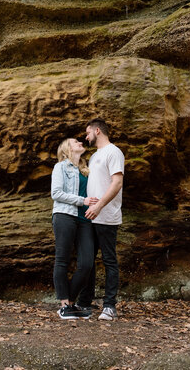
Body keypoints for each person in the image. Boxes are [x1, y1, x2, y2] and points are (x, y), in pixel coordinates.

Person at [76, 118, 124, 321]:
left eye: (88, 133)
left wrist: (99, 206)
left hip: (106, 216)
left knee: (109, 260)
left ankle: (110, 306)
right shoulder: (95, 155)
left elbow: (117, 182)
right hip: (90, 217)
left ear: (98, 131)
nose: (86, 137)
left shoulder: (113, 152)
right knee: (88, 260)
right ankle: (85, 302)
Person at [51, 138, 99, 320]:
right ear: (67, 148)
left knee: (87, 262)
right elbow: (55, 193)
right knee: (62, 260)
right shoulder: (60, 167)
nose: (80, 142)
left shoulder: (86, 170)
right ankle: (64, 305)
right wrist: (82, 201)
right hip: (64, 216)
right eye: (75, 141)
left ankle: (70, 304)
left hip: (85, 220)